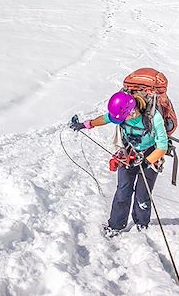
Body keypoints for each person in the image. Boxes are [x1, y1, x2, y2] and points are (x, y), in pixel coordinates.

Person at [70, 91, 169, 237]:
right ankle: (115, 225)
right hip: (128, 152)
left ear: (133, 111)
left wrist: (147, 162)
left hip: (151, 154)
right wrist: (85, 125)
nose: (121, 120)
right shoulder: (122, 114)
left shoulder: (154, 117)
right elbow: (104, 119)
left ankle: (141, 223)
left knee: (143, 193)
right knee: (123, 190)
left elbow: (162, 146)